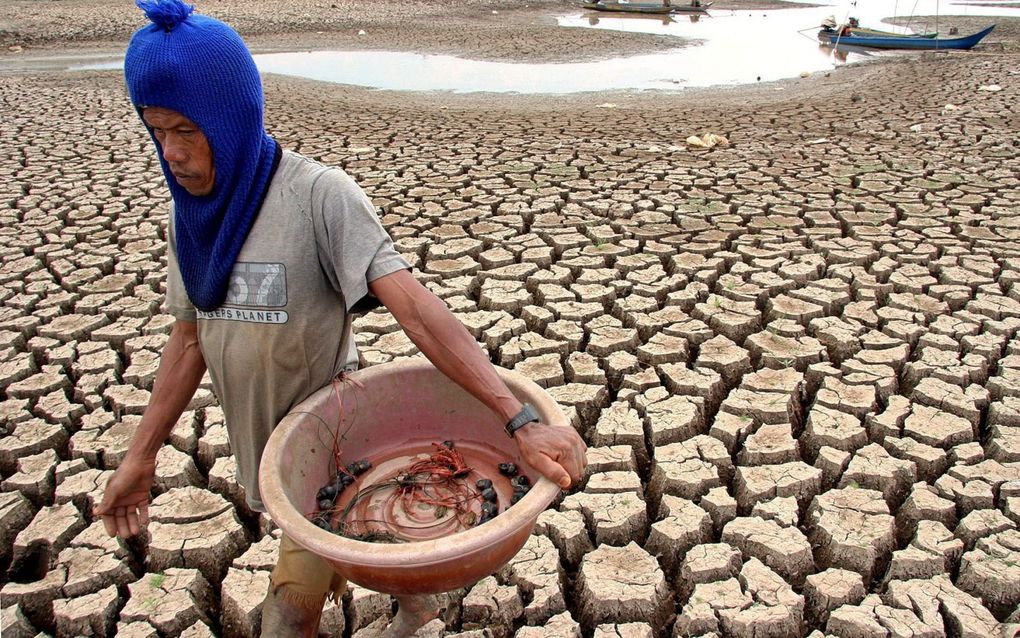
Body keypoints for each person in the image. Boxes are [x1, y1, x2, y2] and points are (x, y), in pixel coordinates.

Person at [94, 1, 588, 636]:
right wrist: (140, 456)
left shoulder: (317, 197)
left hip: (333, 448)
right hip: (269, 464)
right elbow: (190, 339)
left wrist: (517, 419)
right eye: (156, 131)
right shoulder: (190, 218)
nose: (174, 154)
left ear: (231, 119)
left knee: (286, 619)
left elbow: (414, 307)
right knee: (371, 560)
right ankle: (417, 603)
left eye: (188, 131)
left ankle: (414, 607)